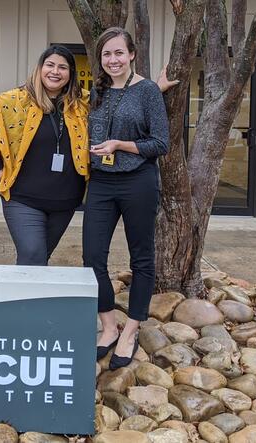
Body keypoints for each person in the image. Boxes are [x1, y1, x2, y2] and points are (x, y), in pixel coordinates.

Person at [83, 27, 170, 370]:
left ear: (132, 55)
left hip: (138, 181)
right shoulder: (97, 92)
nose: (113, 60)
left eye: (119, 53)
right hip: (102, 183)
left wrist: (120, 144)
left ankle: (131, 329)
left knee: (142, 258)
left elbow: (160, 143)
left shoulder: (148, 91)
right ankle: (108, 326)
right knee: (92, 256)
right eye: (107, 54)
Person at [0, 45, 89, 265]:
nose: (55, 71)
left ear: (70, 74)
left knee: (38, 260)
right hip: (23, 198)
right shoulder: (14, 102)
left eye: (62, 67)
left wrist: (154, 88)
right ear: (39, 69)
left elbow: (120, 99)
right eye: (50, 65)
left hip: (65, 201)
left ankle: (26, 297)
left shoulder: (82, 104)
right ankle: (23, 299)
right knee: (33, 254)